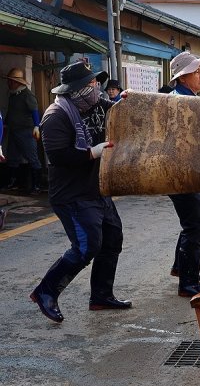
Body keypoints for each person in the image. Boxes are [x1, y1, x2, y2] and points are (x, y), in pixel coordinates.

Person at [30, 61, 132, 323]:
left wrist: (126, 101)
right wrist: (91, 152)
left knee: (112, 239)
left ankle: (101, 295)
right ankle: (46, 291)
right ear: (75, 90)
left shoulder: (96, 104)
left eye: (95, 84)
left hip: (97, 189)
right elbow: (57, 155)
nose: (96, 88)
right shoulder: (56, 116)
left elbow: (117, 113)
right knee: (87, 246)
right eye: (90, 85)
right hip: (72, 195)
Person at [166, 51, 200, 297]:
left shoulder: (189, 97)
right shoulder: (179, 101)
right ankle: (188, 283)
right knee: (194, 223)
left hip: (188, 171)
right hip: (179, 173)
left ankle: (180, 267)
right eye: (197, 71)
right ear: (183, 77)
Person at [4, 68, 42, 194]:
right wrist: (4, 124)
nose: (9, 83)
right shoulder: (13, 95)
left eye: (11, 81)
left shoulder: (27, 95)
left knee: (32, 158)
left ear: (18, 82)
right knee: (13, 157)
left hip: (26, 131)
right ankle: (13, 182)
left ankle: (37, 185)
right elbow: (11, 112)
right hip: (14, 130)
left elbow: (34, 110)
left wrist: (37, 126)